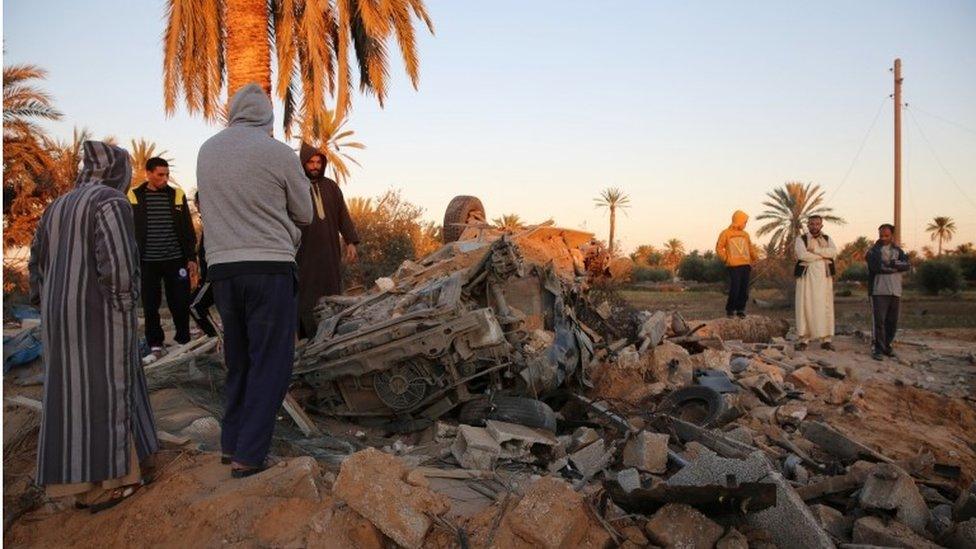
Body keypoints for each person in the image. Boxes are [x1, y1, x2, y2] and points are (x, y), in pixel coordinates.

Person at [28, 141, 159, 510]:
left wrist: (49, 305)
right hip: (99, 315)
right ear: (119, 171)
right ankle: (113, 483)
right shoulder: (111, 202)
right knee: (107, 390)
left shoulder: (57, 206)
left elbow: (35, 266)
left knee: (71, 396)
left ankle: (81, 485)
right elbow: (116, 265)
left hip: (57, 319)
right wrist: (124, 307)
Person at [196, 83, 312, 478]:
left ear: (232, 111)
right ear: (267, 115)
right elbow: (306, 214)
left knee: (240, 361)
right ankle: (249, 455)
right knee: (272, 364)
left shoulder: (207, 151)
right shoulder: (277, 153)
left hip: (223, 272)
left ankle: (231, 445)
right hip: (269, 268)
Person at [127, 157, 198, 355]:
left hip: (175, 260)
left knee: (180, 302)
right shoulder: (133, 195)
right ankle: (156, 344)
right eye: (160, 175)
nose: (165, 178)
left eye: (167, 175)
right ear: (148, 174)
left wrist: (191, 257)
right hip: (147, 262)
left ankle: (183, 340)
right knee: (150, 305)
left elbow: (187, 228)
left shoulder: (177, 195)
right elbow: (128, 229)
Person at [296, 142, 360, 339]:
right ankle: (309, 339)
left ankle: (332, 336)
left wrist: (350, 241)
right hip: (304, 255)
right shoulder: (296, 187)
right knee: (306, 297)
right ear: (303, 164)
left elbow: (343, 215)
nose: (315, 166)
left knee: (331, 293)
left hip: (329, 254)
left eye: (318, 162)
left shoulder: (331, 187)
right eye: (310, 163)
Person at [866, 224, 910, 361]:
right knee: (879, 321)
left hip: (895, 290)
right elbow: (876, 267)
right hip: (879, 290)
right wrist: (892, 267)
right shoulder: (873, 251)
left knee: (892, 321)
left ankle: (887, 346)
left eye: (886, 235)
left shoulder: (899, 251)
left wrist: (892, 265)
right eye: (881, 235)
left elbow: (906, 265)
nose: (883, 238)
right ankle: (877, 349)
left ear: (892, 235)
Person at [793, 215, 838, 351]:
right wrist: (823, 256)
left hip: (824, 278)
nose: (814, 226)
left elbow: (833, 253)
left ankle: (826, 340)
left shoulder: (827, 239)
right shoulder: (801, 239)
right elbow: (802, 255)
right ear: (808, 225)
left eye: (817, 224)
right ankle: (804, 339)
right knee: (805, 305)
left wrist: (816, 251)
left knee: (825, 306)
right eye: (812, 224)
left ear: (821, 225)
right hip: (806, 278)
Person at [716, 210, 759, 318]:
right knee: (735, 288)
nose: (745, 224)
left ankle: (741, 309)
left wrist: (755, 258)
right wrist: (726, 259)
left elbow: (750, 248)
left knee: (744, 289)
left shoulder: (745, 235)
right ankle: (730, 310)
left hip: (746, 265)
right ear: (739, 221)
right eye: (745, 222)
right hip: (733, 266)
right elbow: (719, 248)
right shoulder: (725, 233)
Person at [189, 192, 218, 337]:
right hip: (209, 276)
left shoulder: (215, 222)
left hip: (214, 276)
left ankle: (215, 335)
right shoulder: (207, 222)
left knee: (195, 305)